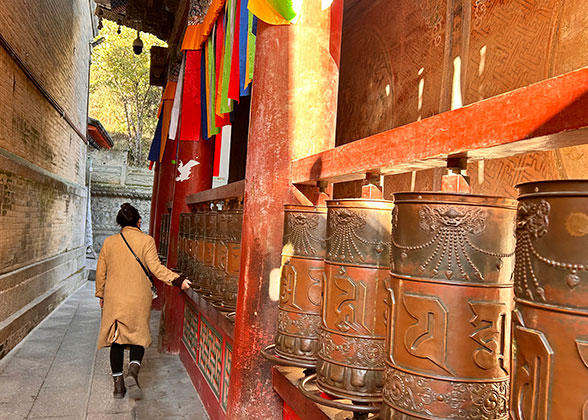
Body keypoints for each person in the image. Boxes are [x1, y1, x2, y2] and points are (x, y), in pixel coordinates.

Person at [95, 203, 191, 399]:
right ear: (139, 221)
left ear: (119, 223)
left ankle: (118, 386)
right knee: (138, 335)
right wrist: (178, 280)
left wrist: (101, 295)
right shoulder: (146, 241)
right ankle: (133, 372)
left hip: (115, 297)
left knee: (117, 339)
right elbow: (156, 269)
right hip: (138, 297)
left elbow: (100, 273)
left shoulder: (109, 242)